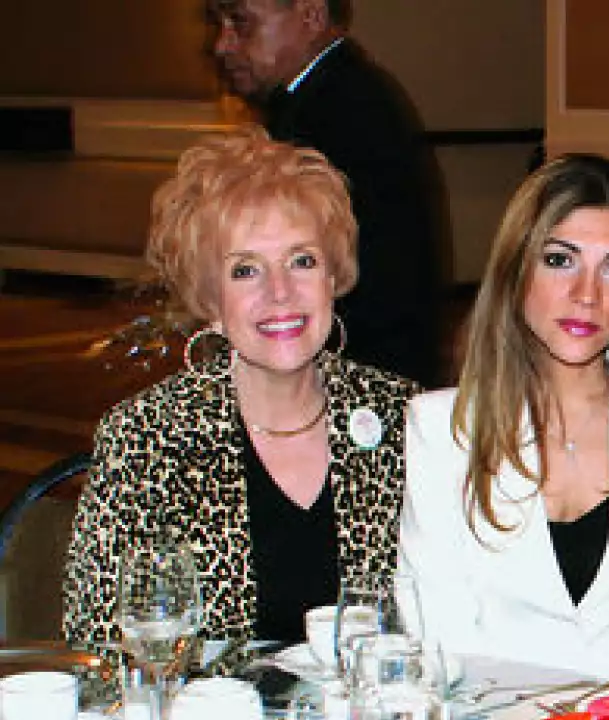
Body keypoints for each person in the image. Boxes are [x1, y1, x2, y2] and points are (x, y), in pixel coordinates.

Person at [64, 128, 416, 648]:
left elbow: (455, 621)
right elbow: (100, 646)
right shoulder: (149, 438)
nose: (280, 292)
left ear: (333, 277)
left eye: (303, 261)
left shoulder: (403, 418)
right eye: (245, 270)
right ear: (210, 298)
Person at [397, 154, 609, 694]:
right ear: (515, 271)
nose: (587, 294)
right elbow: (437, 633)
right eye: (560, 260)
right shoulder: (442, 430)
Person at [208, 0, 444, 387]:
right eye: (219, 24)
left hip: (358, 375)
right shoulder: (333, 94)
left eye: (241, 23)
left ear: (312, 16)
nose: (223, 44)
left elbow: (353, 279)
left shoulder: (335, 111)